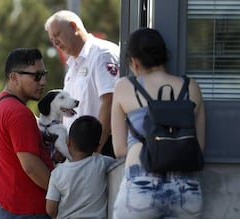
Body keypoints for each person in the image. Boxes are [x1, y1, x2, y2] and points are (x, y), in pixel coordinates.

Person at [111, 28, 206, 219]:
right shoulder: (191, 87)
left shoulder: (124, 87)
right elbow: (199, 148)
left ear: (134, 62)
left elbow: (119, 149)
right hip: (186, 188)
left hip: (141, 184)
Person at [0, 48, 54, 218]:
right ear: (14, 77)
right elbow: (31, 167)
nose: (43, 82)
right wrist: (62, 193)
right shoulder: (18, 112)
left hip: (7, 206)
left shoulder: (0, 105)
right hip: (27, 209)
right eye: (36, 76)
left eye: (44, 74)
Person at [44, 10, 120, 158]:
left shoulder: (102, 54)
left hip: (101, 152)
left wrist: (95, 151)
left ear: (73, 27)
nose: (55, 43)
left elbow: (110, 102)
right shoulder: (73, 66)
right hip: (80, 155)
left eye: (57, 35)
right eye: (52, 40)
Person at [46, 115, 115, 219]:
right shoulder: (104, 163)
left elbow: (50, 210)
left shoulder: (57, 174)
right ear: (97, 147)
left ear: (69, 142)